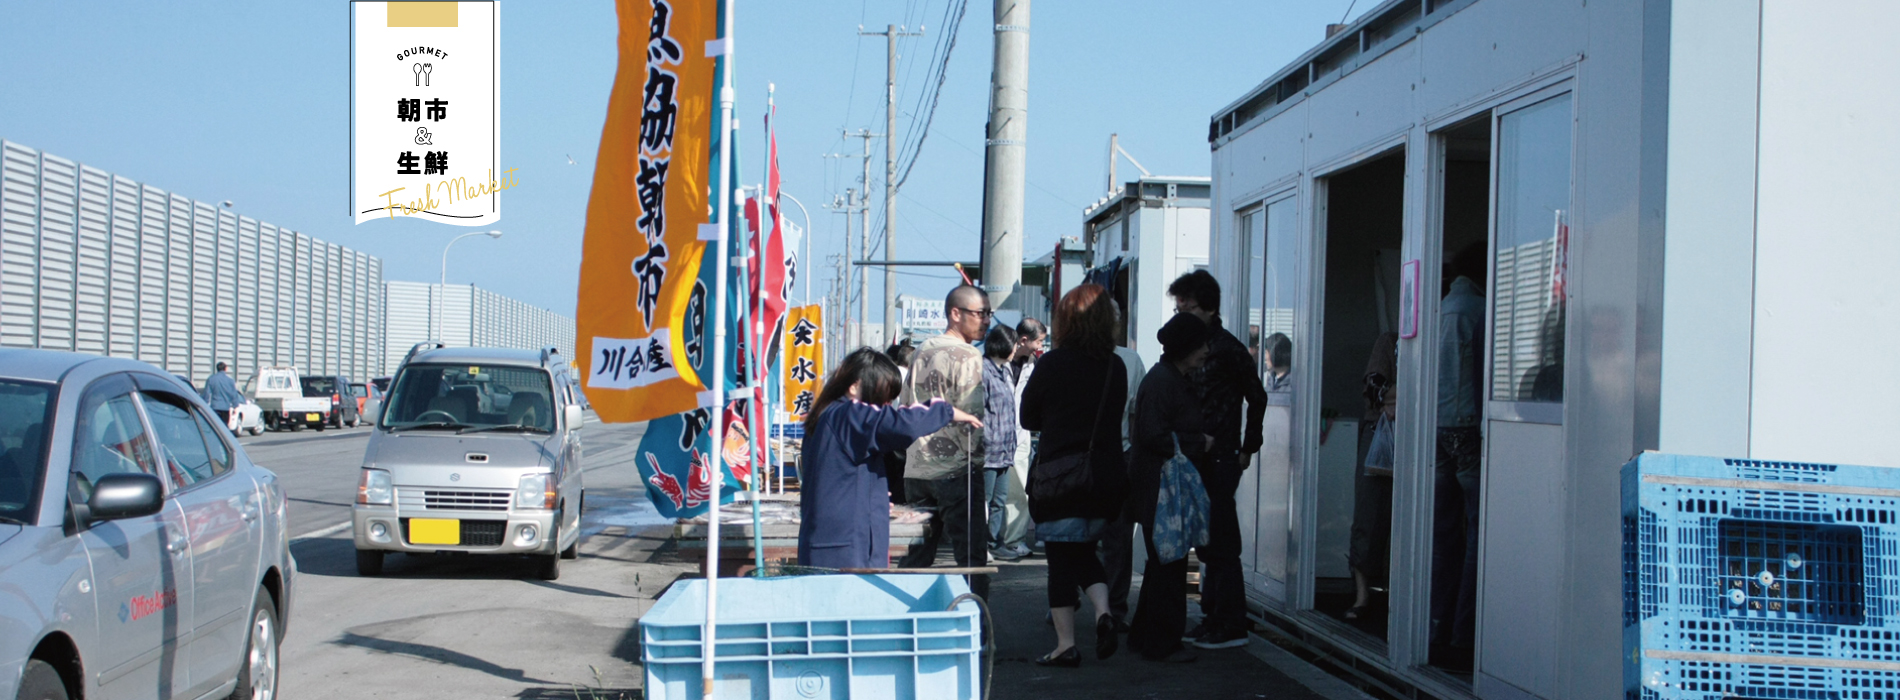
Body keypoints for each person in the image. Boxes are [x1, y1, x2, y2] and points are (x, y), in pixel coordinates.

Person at [1018, 284, 1130, 667]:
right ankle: (1103, 613)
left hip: (1060, 478)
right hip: (1103, 478)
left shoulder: (1052, 363)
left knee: (1060, 561)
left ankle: (1066, 643)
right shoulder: (1115, 365)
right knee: (1083, 551)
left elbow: (1027, 417)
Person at [798, 349, 981, 570]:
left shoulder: (827, 416)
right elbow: (902, 424)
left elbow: (839, 477)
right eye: (879, 398)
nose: (884, 406)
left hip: (835, 541)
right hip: (844, 547)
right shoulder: (848, 415)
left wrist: (871, 495)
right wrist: (944, 411)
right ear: (854, 386)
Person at [1166, 270, 1267, 650]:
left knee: (1221, 541)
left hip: (1222, 456)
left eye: (1188, 307)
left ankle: (1230, 623)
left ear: (1209, 308)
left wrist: (1247, 448)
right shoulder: (1188, 346)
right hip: (1192, 453)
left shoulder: (1227, 348)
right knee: (1205, 543)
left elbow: (1257, 396)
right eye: (1178, 308)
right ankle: (1212, 617)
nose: (1182, 314)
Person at [1126, 312, 1213, 663]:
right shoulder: (1165, 382)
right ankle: (1163, 643)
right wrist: (1197, 442)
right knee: (1171, 566)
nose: (1207, 351)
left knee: (1164, 563)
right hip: (1163, 490)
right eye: (1202, 345)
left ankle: (1145, 636)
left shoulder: (1166, 377)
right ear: (1186, 349)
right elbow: (1153, 434)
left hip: (1159, 488)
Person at [897, 284, 991, 601]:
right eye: (980, 313)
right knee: (971, 560)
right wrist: (977, 463)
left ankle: (907, 626)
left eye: (988, 313)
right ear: (955, 313)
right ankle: (976, 635)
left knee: (917, 556)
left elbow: (905, 407)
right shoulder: (967, 354)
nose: (987, 320)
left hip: (917, 469)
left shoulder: (922, 350)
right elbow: (973, 416)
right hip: (956, 470)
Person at [1431, 243, 1486, 671]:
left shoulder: (1441, 307)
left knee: (1442, 533)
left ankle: (1431, 624)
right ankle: (1464, 634)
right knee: (1477, 533)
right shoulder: (1481, 309)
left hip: (1436, 427)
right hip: (1468, 427)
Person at [1097, 302, 1146, 630]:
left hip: (1084, 460)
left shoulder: (1065, 359)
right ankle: (1113, 610)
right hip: (1119, 456)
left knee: (1076, 537)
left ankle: (1064, 603)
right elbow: (1136, 417)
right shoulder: (1129, 360)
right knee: (1117, 539)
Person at [1347, 332, 1398, 621]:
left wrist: (1396, 396)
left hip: (1413, 435)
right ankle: (1362, 594)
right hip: (1380, 433)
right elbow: (1375, 390)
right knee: (1369, 513)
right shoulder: (1389, 341)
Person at [999, 318, 1047, 559]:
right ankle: (992, 539)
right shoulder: (998, 361)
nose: (1041, 346)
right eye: (1039, 341)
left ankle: (1014, 539)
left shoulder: (1034, 363)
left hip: (1019, 432)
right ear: (1024, 340)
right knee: (995, 492)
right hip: (995, 435)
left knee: (1020, 490)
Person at [980, 324, 1020, 560]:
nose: (1016, 349)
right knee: (984, 502)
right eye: (1014, 343)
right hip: (988, 450)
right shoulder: (983, 371)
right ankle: (981, 546)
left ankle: (995, 543)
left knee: (999, 501)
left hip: (1005, 449)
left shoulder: (1004, 370)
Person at [884, 341, 918, 504]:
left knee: (890, 475)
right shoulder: (911, 377)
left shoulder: (888, 374)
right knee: (900, 478)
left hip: (887, 430)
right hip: (903, 433)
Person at [203, 362, 245, 432]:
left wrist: (205, 403)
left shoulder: (211, 379)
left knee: (215, 427)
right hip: (225, 408)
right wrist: (235, 406)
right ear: (225, 369)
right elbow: (234, 395)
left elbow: (206, 394)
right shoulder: (230, 381)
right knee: (224, 428)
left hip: (215, 407)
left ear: (217, 369)